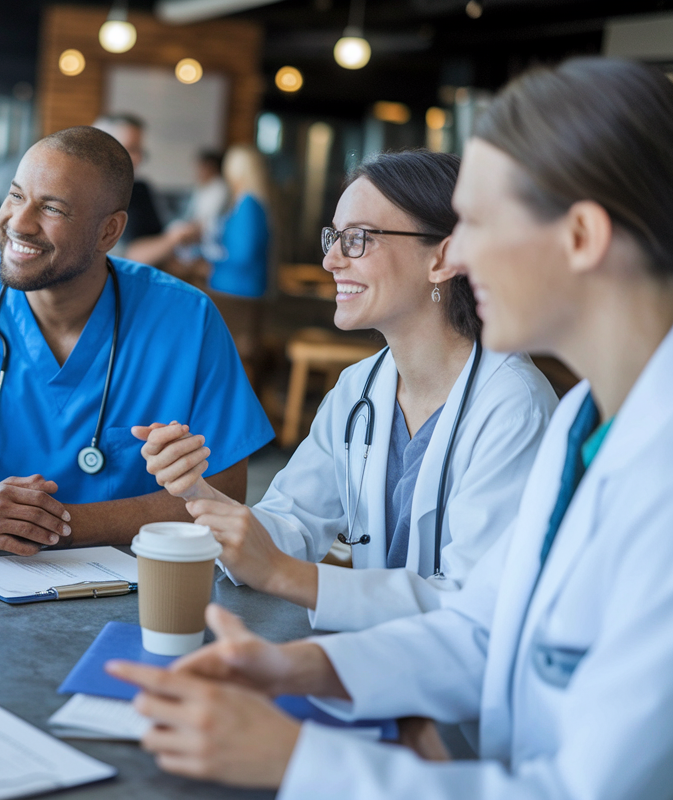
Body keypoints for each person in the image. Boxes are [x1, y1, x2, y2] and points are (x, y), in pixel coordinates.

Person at [109, 57, 673, 798]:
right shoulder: (585, 420)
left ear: (580, 237)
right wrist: (301, 667)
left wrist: (294, 760)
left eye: (477, 222)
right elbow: (481, 626)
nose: (459, 253)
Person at [135, 149, 557, 633]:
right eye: (334, 237)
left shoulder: (514, 407)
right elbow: (290, 527)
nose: (331, 259)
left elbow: (475, 606)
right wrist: (197, 492)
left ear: (443, 257)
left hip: (459, 696)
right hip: (375, 661)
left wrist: (283, 575)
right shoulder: (360, 388)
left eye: (356, 239)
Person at [0, 126, 273, 555]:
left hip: (138, 589)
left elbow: (225, 492)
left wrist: (43, 526)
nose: (18, 223)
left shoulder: (187, 321)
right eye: (16, 195)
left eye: (52, 209)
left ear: (109, 232)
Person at [92, 114, 199, 268]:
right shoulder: (97, 195)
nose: (138, 158)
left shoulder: (141, 188)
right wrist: (175, 238)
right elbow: (129, 256)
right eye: (129, 149)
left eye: (139, 150)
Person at [206, 144, 270, 299]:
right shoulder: (246, 202)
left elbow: (243, 254)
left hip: (238, 290)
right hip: (235, 288)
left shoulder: (248, 205)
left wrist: (209, 261)